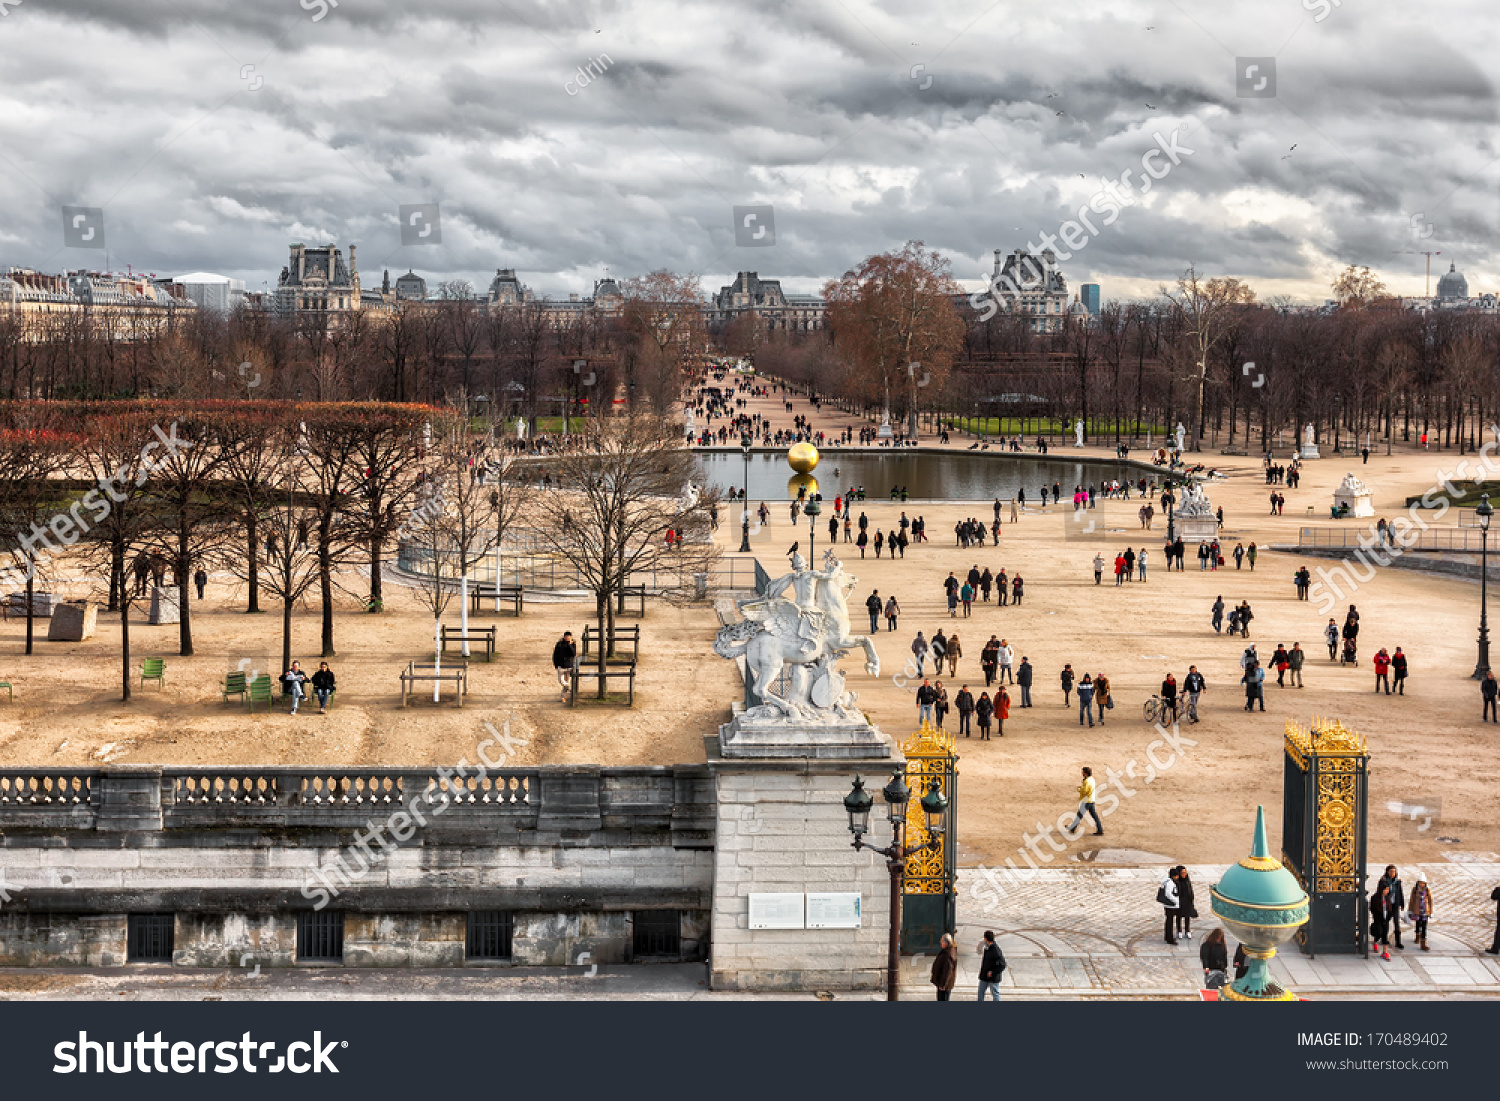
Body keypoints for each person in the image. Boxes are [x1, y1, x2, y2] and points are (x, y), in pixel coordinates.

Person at [1070, 766, 1104, 835]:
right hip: (1091, 799)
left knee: (1079, 815)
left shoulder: (1087, 781)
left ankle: (1073, 828)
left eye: (1082, 772)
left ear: (1085, 773)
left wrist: (1079, 789)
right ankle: (1100, 829)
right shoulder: (1091, 779)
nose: (1081, 773)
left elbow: (1085, 791)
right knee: (1094, 815)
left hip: (1087, 800)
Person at [1378, 865, 1405, 950]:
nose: (1392, 873)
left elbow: (1400, 892)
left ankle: (1398, 942)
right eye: (1391, 871)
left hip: (1395, 904)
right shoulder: (1383, 881)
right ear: (1387, 872)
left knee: (1396, 923)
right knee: (1386, 922)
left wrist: (1402, 904)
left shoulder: (1397, 881)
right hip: (1387, 904)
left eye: (1394, 871)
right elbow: (1379, 892)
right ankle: (1384, 938)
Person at [1408, 873, 1434, 952]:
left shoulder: (1427, 890)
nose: (1422, 885)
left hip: (1425, 911)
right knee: (1418, 923)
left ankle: (1423, 942)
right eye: (1420, 883)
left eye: (1423, 883)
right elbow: (1412, 900)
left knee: (1424, 926)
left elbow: (1430, 900)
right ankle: (1417, 935)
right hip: (1417, 910)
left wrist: (1431, 911)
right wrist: (1410, 910)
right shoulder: (1415, 889)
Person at [977, 930, 1006, 1001]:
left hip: (992, 978)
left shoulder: (995, 950)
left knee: (995, 993)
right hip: (985, 976)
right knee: (981, 992)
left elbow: (1002, 965)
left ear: (986, 939)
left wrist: (992, 972)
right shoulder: (988, 948)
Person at [931, 934, 958, 1000]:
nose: (940, 942)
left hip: (944, 985)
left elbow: (947, 971)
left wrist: (943, 985)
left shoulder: (948, 955)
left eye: (941, 941)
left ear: (946, 943)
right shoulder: (947, 951)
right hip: (942, 983)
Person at [552, 631, 577, 702]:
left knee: (566, 681)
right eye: (566, 636)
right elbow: (555, 654)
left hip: (569, 666)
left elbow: (573, 654)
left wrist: (569, 645)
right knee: (561, 681)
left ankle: (563, 697)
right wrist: (556, 665)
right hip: (561, 666)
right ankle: (569, 687)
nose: (567, 638)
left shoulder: (573, 644)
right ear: (564, 637)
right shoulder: (559, 644)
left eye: (568, 637)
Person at [1370, 882, 1392, 960]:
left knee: (1385, 935)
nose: (1387, 891)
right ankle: (1375, 941)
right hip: (1378, 919)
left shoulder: (1388, 898)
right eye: (1386, 889)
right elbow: (1372, 909)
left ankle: (1385, 952)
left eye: (1388, 889)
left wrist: (1389, 916)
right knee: (1379, 932)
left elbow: (1390, 908)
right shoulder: (1375, 898)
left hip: (1386, 919)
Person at [1159, 868, 1181, 945]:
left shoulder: (1170, 882)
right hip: (1170, 905)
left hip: (1170, 905)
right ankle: (1169, 938)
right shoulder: (1170, 883)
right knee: (1170, 922)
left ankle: (1168, 936)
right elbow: (1168, 894)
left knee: (1169, 921)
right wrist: (1175, 900)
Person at [1175, 868, 1198, 941]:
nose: (1184, 874)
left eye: (1185, 872)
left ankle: (1187, 930)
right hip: (1180, 902)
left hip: (1187, 901)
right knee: (1179, 916)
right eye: (1182, 873)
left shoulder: (1187, 880)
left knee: (1187, 916)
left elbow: (1190, 890)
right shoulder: (1177, 882)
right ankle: (1179, 930)